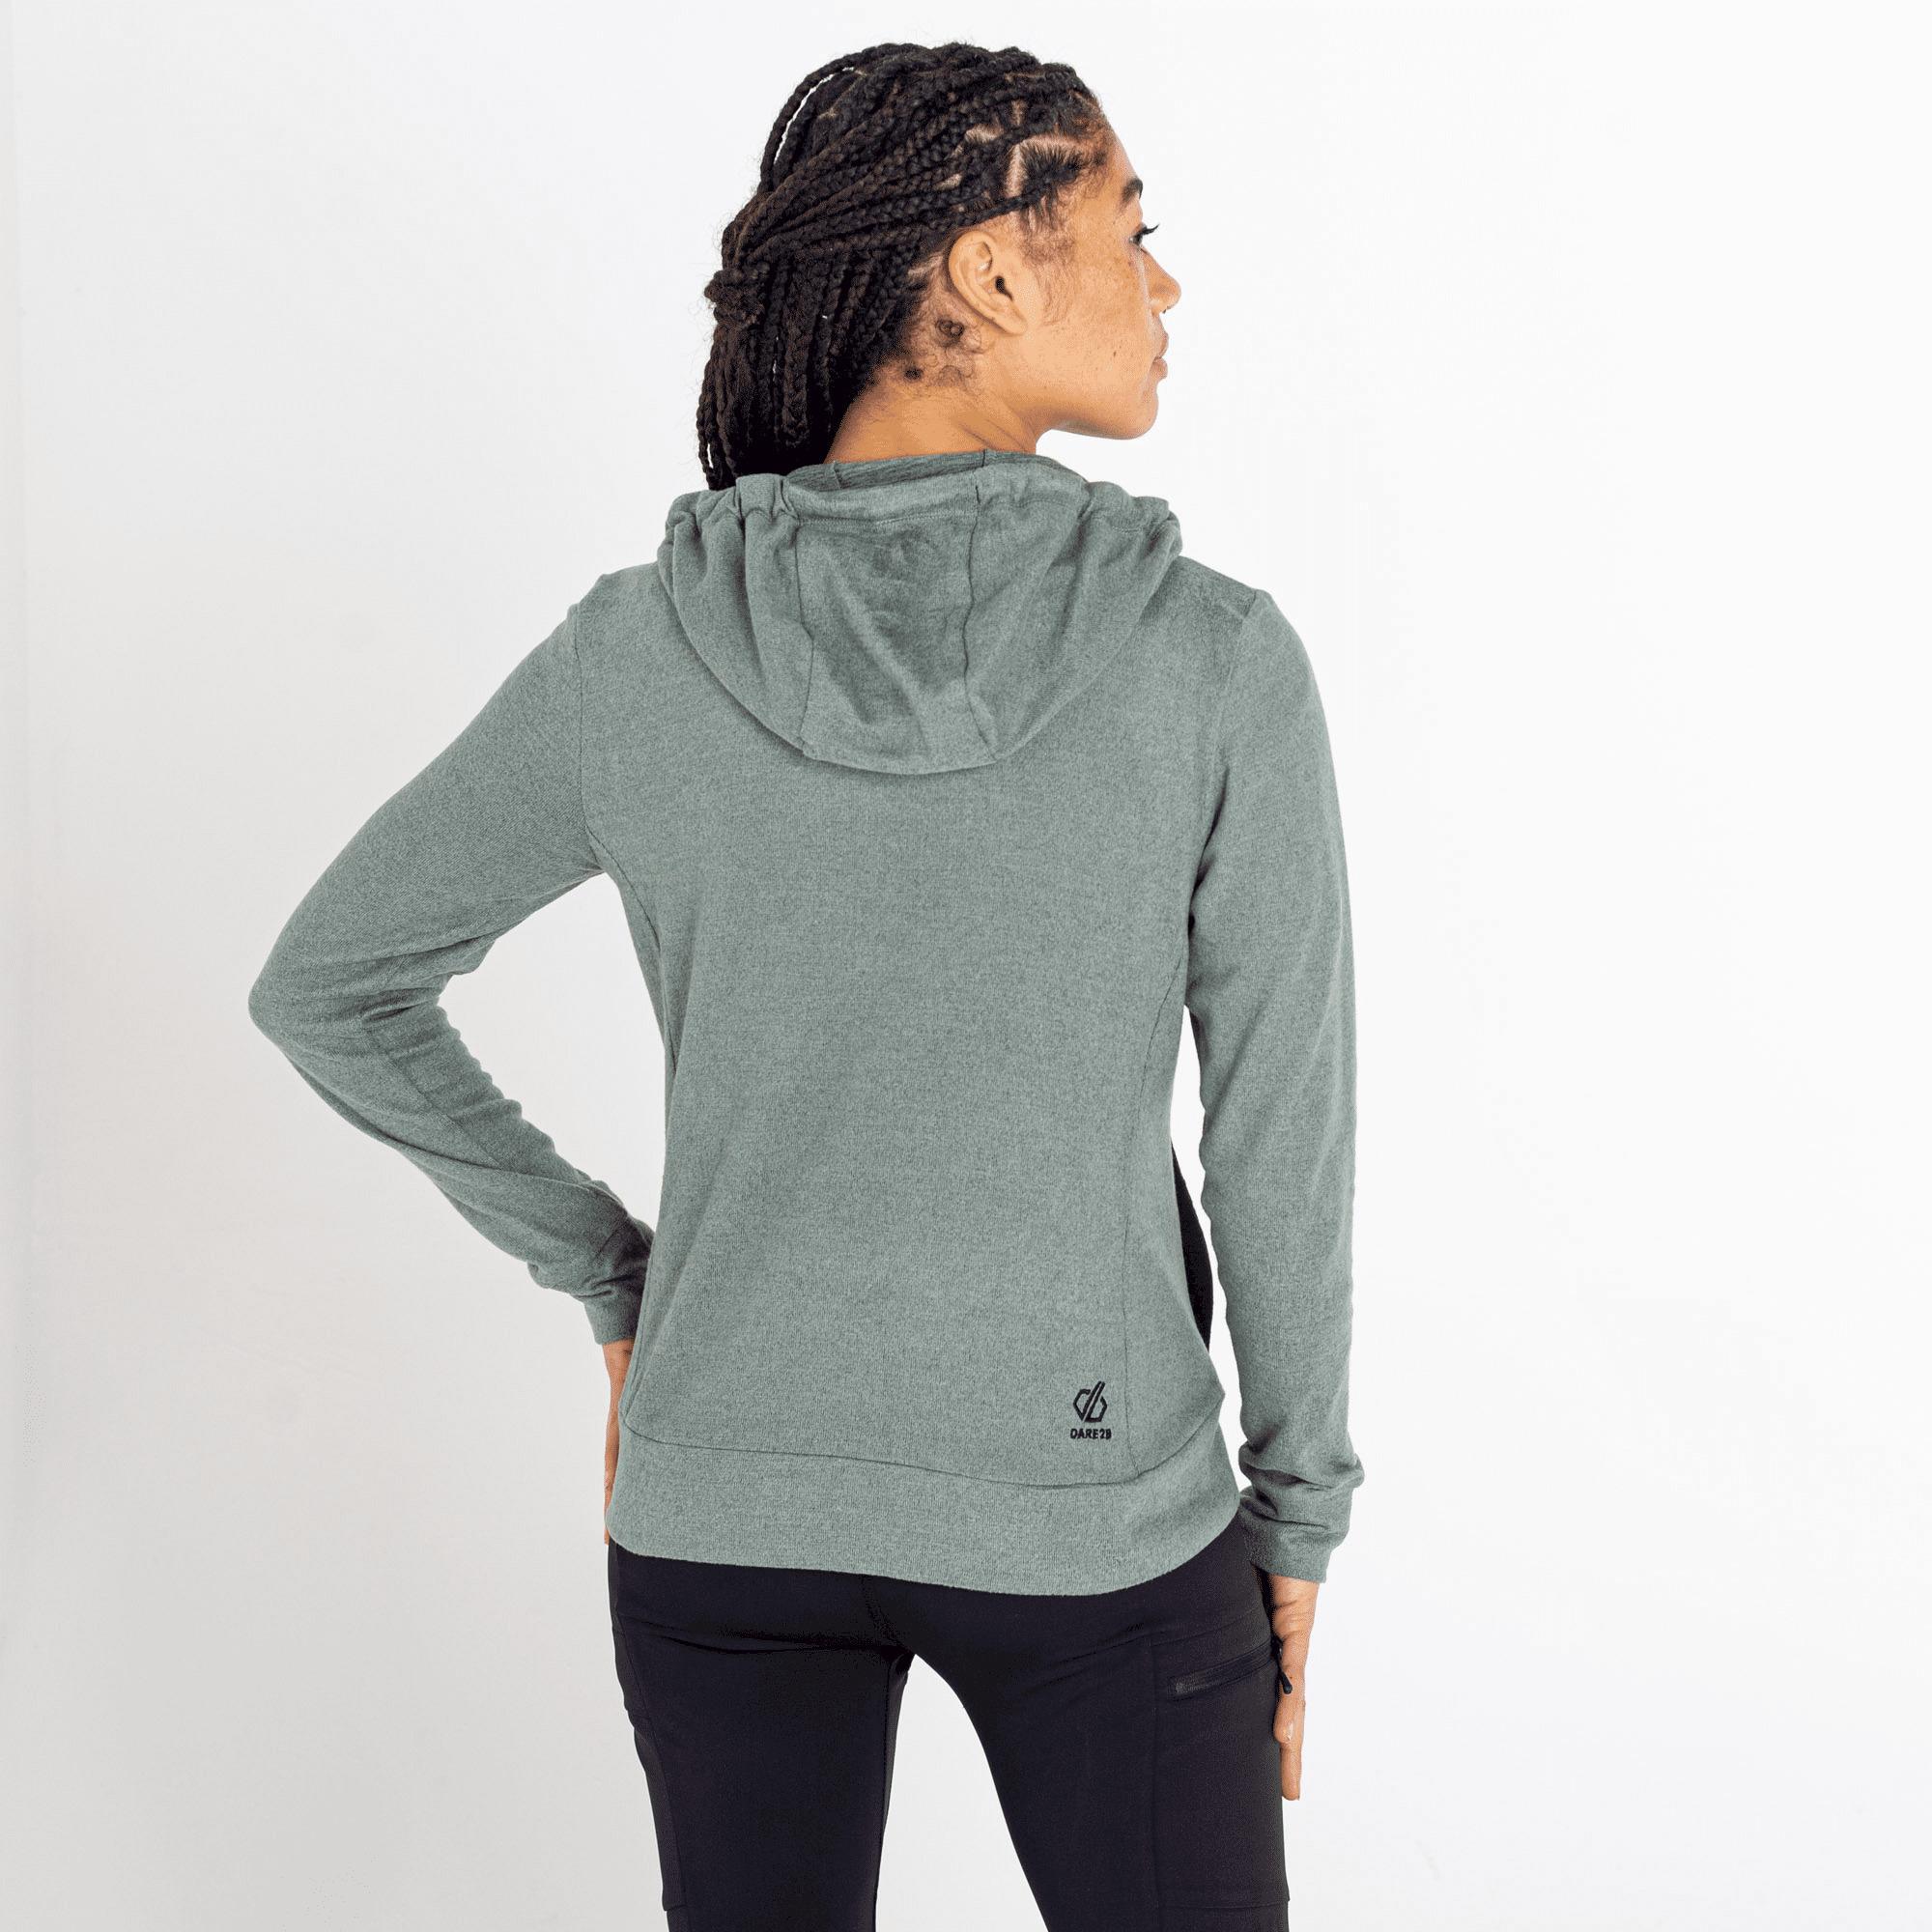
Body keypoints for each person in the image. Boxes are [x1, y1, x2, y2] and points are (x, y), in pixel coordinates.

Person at [247, 38, 1364, 1932]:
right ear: (993, 267)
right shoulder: (1211, 661)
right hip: (1097, 1523)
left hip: (721, 1513)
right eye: (1130, 227)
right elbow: (1280, 1127)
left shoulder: (638, 654)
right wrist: (1300, 1507)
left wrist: (619, 1279)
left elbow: (330, 984)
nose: (1164, 283)